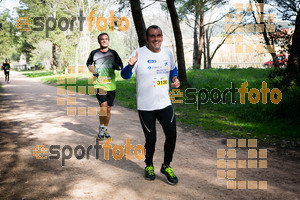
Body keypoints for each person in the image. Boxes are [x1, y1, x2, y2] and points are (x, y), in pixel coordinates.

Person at [121, 25, 180, 185]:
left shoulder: (167, 52)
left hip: (164, 103)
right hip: (146, 106)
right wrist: (130, 65)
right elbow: (125, 76)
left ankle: (166, 166)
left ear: (162, 37)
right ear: (147, 38)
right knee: (151, 139)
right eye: (152, 36)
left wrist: (174, 80)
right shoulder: (139, 53)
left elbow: (173, 70)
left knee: (172, 135)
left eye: (158, 35)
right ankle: (149, 165)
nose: (156, 39)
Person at [86, 33, 123, 140]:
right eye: (102, 39)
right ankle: (101, 128)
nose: (104, 41)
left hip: (111, 85)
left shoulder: (113, 53)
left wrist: (116, 66)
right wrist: (93, 71)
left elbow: (121, 65)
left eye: (106, 39)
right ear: (99, 41)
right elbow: (88, 64)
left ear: (108, 41)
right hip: (99, 84)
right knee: (103, 106)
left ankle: (105, 128)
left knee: (108, 109)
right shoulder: (94, 53)